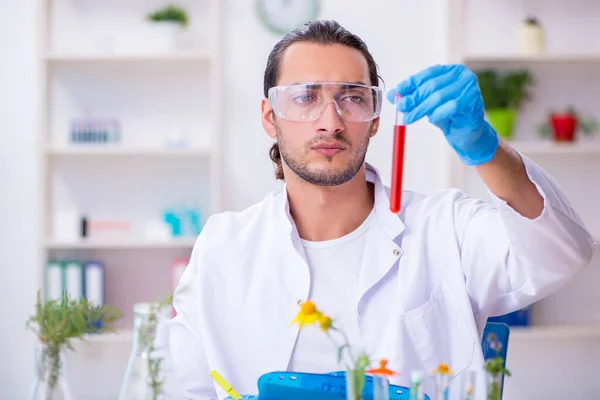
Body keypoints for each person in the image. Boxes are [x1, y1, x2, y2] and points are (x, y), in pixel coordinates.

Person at [166, 20, 596, 400]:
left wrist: (487, 149)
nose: (330, 121)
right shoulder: (223, 248)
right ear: (269, 116)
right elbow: (178, 387)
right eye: (304, 97)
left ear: (374, 117)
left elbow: (561, 253)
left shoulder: (443, 228)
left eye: (352, 98)